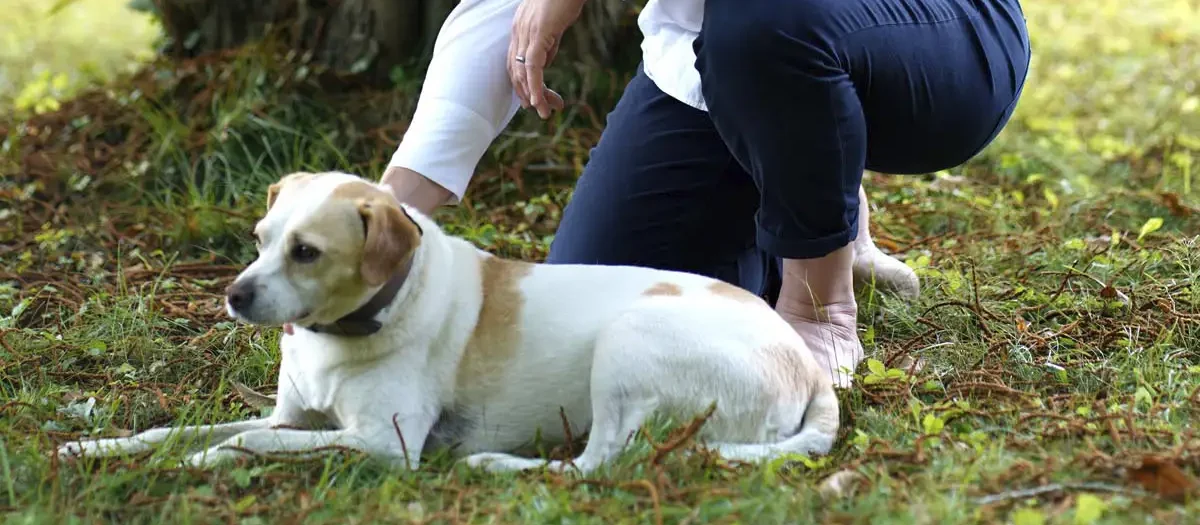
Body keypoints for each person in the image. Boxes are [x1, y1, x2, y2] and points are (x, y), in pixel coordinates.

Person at [376, 0, 1031, 386]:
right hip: (717, 70)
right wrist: (385, 220)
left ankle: (821, 307)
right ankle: (820, 189)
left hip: (934, 35)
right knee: (587, 320)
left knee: (765, 29)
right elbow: (506, 12)